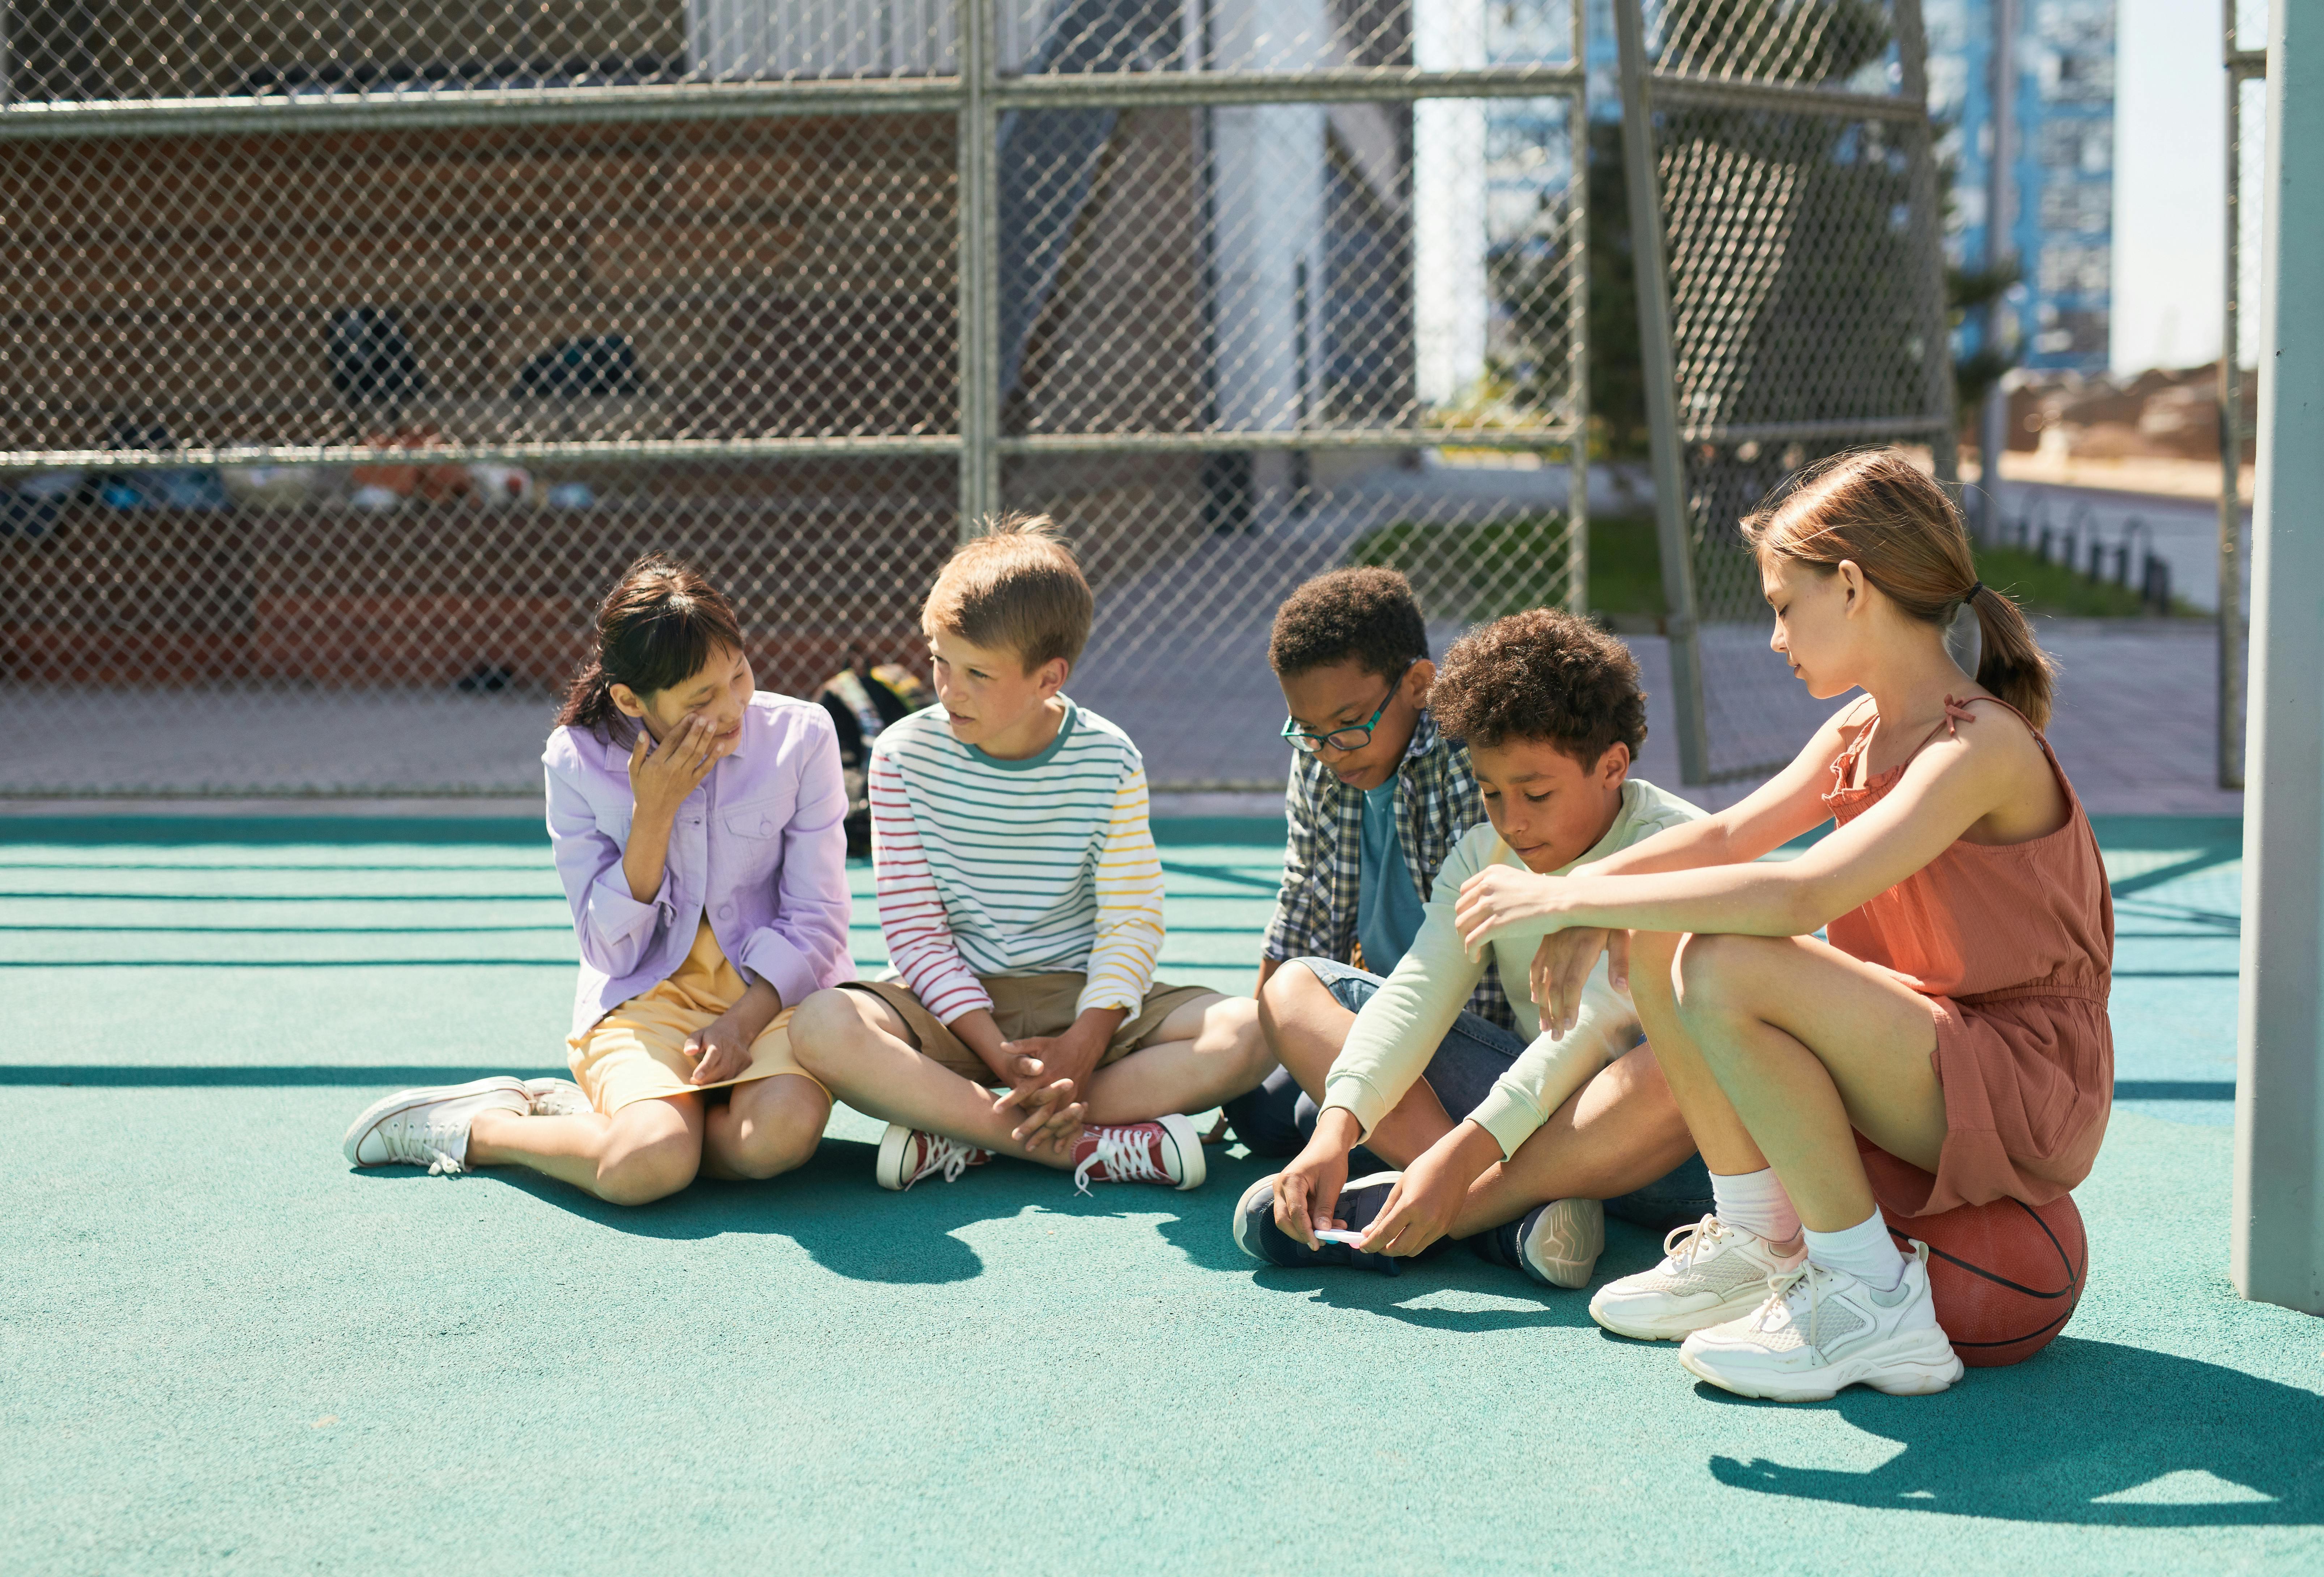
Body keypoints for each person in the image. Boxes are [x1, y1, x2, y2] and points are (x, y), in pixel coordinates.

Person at [1456, 450, 2112, 1402]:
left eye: (1781, 605)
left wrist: (1568, 900)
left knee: (1725, 957)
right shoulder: (1858, 732)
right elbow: (1724, 836)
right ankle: (1759, 1240)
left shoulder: (1980, 745)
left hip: (2026, 1081)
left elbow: (1805, 894)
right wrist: (1595, 894)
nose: (1774, 638)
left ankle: (1871, 1298)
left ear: (1850, 586)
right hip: (1927, 1050)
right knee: (1666, 928)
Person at [340, 554, 856, 1203]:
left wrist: (740, 1025)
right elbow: (611, 953)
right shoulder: (574, 761)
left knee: (776, 1139)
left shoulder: (802, 737)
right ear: (630, 700)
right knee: (650, 1164)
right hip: (645, 997)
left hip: (773, 997)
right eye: (701, 698)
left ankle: (611, 1125)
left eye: (739, 674)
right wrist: (654, 815)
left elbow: (818, 921)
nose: (733, 708)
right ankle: (483, 1129)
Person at [786, 515, 1272, 1193]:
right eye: (939, 660)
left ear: (1049, 678)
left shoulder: (1109, 758)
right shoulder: (900, 755)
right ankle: (1077, 1147)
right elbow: (916, 932)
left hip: (1079, 1001)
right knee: (820, 1025)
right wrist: (995, 1052)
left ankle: (956, 1129)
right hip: (952, 1011)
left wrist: (1082, 1046)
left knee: (1251, 1031)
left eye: (978, 673)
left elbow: (1131, 920)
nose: (948, 689)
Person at [1238, 609, 1708, 1286]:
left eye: (1536, 794)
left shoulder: (1675, 842)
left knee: (1677, 1059)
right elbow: (1417, 994)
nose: (1511, 821)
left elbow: (1590, 1032)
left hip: (1673, 1152)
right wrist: (1334, 1131)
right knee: (1294, 992)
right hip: (1536, 1118)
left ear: (1612, 767)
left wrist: (1458, 1161)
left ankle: (1449, 1214)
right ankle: (1511, 1219)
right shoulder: (1481, 854)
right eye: (1490, 792)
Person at [1222, 567, 1509, 1157]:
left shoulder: (1468, 762)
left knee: (1315, 1113)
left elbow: (1473, 966)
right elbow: (1301, 901)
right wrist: (1257, 1046)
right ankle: (1405, 1143)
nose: (1329, 752)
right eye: (1308, 730)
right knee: (1254, 1108)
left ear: (1418, 685)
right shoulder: (1319, 758)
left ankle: (1472, 1181)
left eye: (1348, 725)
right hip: (1376, 1010)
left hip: (1467, 1028)